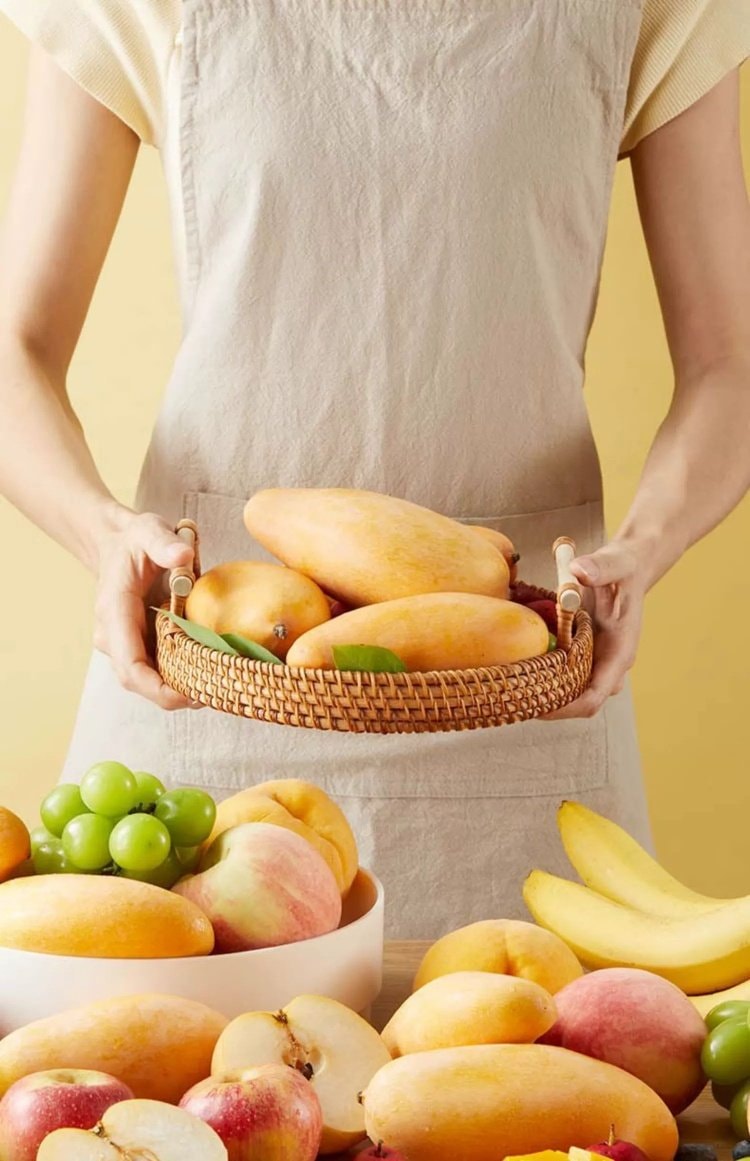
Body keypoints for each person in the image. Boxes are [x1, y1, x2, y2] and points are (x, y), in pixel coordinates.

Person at [0, 0, 748, 939]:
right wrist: (102, 531)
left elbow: (728, 363)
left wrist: (645, 546)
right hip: (213, 674)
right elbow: (13, 348)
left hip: (519, 689)